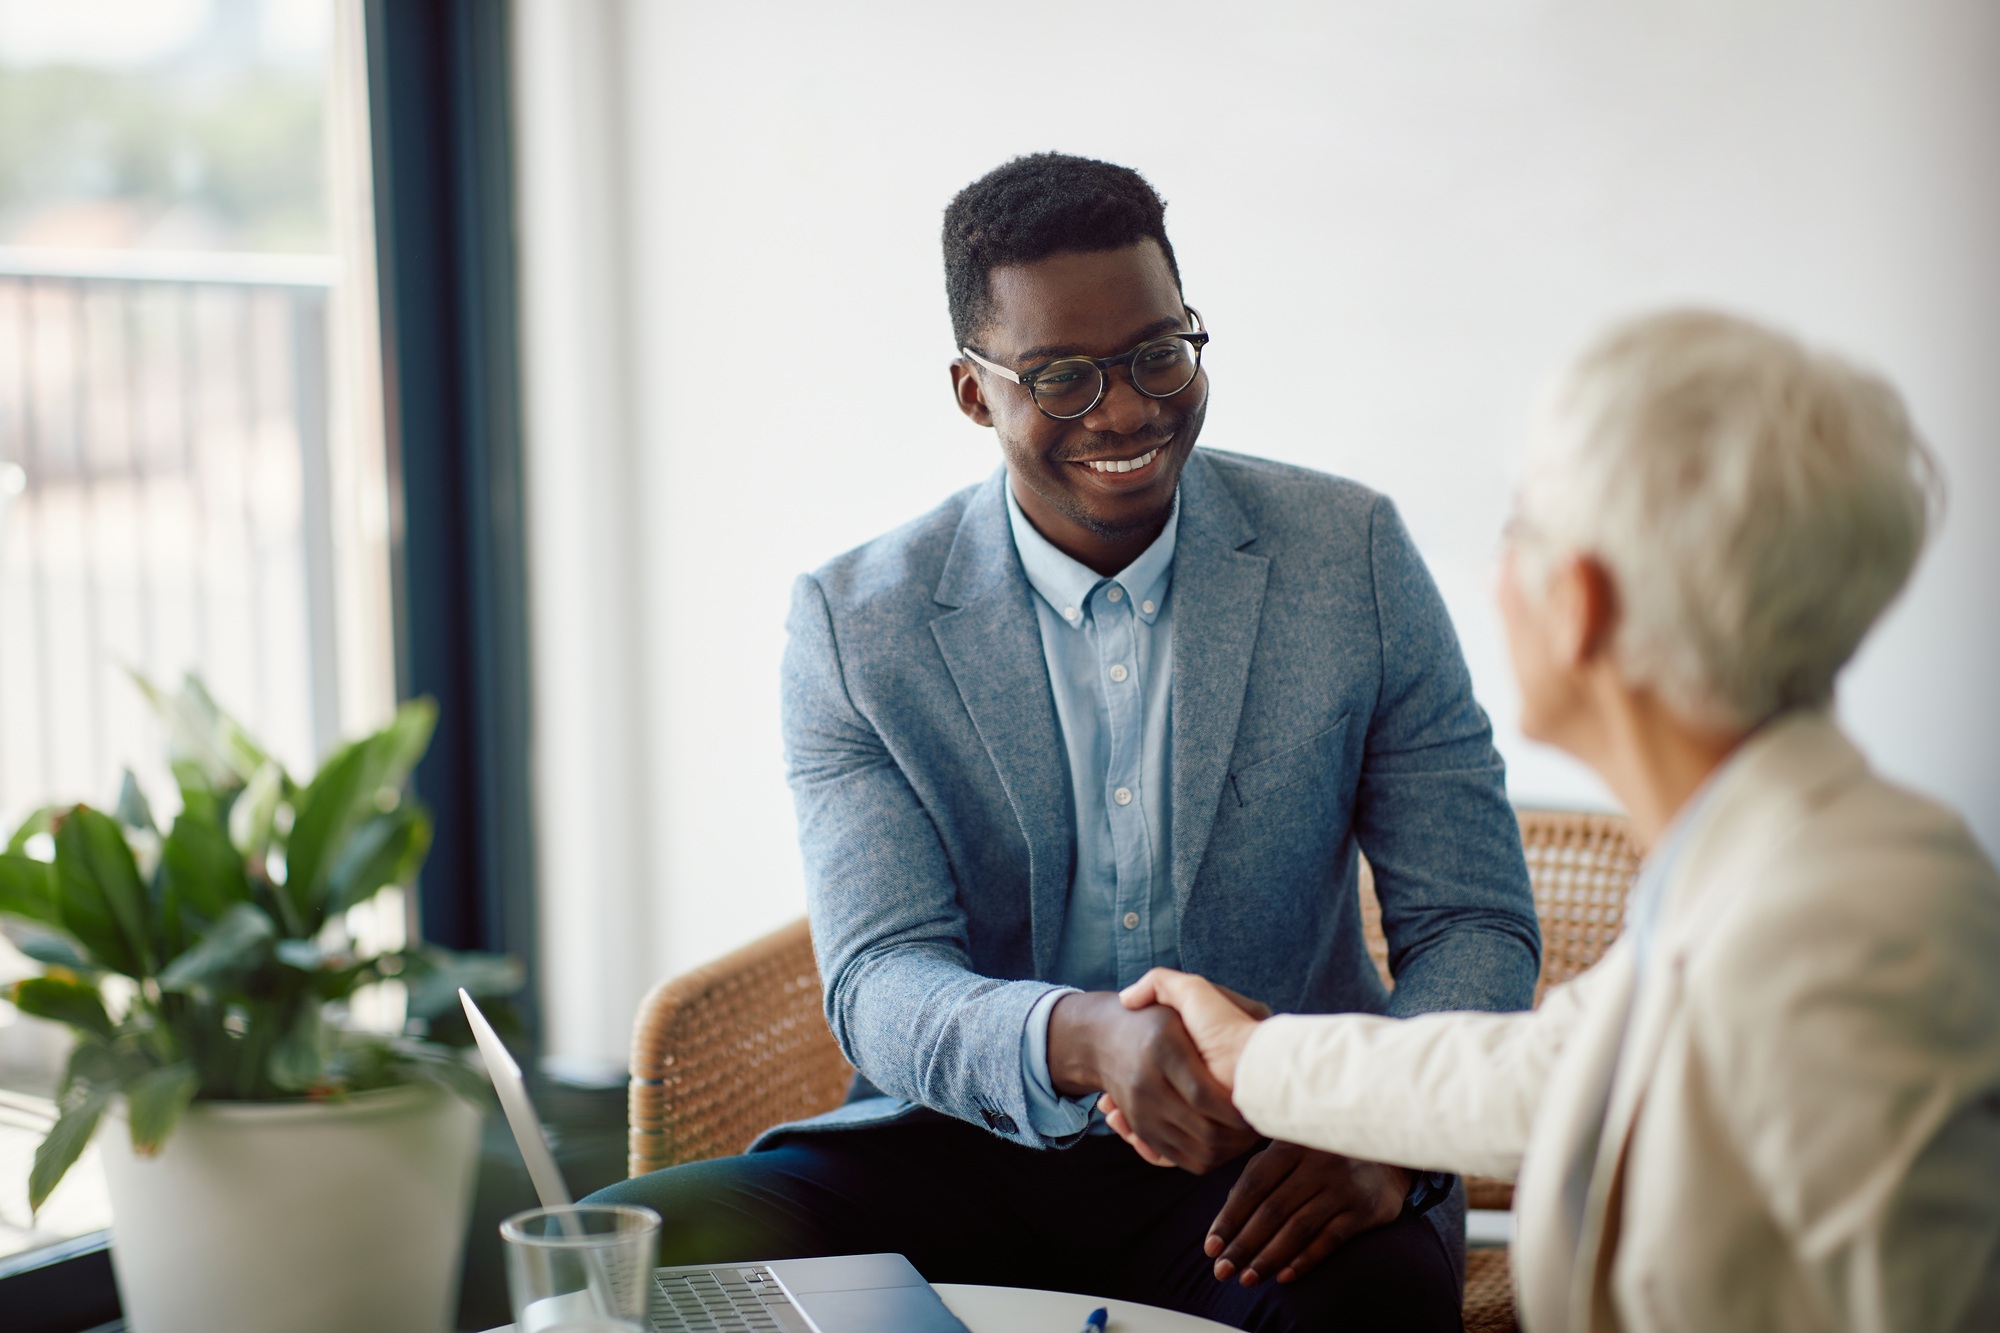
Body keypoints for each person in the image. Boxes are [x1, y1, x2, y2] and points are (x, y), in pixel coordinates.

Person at [589, 152, 1543, 1331]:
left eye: (1158, 353)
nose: (1132, 408)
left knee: (1372, 1304)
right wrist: (1079, 1041)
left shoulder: (1347, 559)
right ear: (970, 391)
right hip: (956, 1148)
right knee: (628, 1259)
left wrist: (1385, 1132)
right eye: (1062, 377)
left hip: (1267, 1152)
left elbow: (1474, 920)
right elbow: (879, 978)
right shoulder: (857, 625)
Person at [1107, 310, 2000, 1332]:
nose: (1493, 575)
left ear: (1575, 602)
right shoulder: (1757, 869)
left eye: (1514, 528)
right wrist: (1253, 1061)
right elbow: (1545, 1075)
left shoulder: (1850, 930)